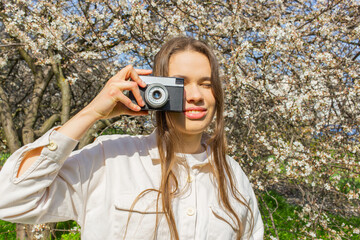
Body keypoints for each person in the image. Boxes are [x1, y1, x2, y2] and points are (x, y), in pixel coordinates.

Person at [0, 36, 264, 239]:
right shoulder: (109, 160)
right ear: (157, 89)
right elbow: (10, 199)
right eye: (180, 83)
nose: (196, 95)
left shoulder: (234, 177)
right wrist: (92, 112)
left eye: (206, 84)